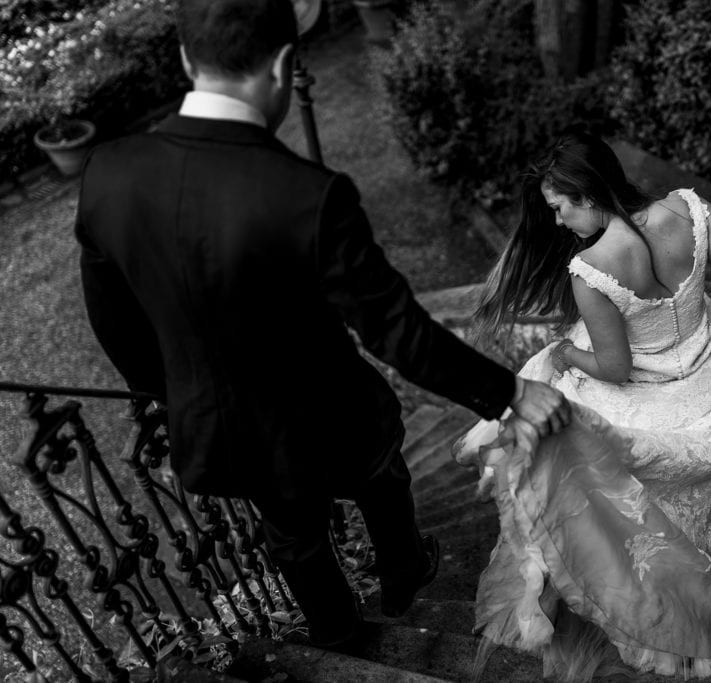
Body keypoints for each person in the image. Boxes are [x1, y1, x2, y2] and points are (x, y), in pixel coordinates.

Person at [74, 0, 570, 654]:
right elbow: (397, 332)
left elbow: (114, 322)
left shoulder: (107, 174)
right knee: (383, 477)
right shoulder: (309, 194)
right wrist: (509, 393)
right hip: (335, 413)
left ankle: (337, 632)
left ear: (187, 58)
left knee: (292, 537)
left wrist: (173, 397)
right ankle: (405, 571)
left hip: (226, 431)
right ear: (283, 65)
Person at [454, 130, 711, 679]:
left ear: (587, 194)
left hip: (647, 384)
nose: (557, 222)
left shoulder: (593, 270)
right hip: (707, 370)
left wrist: (564, 354)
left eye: (559, 208)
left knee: (553, 406)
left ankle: (608, 591)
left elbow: (616, 367)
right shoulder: (692, 208)